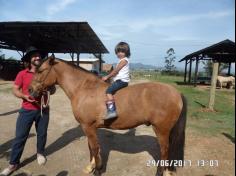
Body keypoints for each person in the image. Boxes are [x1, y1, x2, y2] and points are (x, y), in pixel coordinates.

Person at [1, 46, 50, 176]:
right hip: (26, 110)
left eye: (39, 55)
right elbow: (15, 89)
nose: (37, 57)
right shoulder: (22, 74)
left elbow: (54, 90)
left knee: (42, 134)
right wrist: (24, 96)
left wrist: (48, 90)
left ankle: (40, 153)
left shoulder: (45, 73)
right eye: (34, 56)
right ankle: (13, 164)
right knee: (20, 137)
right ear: (29, 59)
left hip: (43, 110)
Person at [102, 42, 130, 120]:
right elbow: (116, 73)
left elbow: (116, 71)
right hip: (120, 80)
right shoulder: (121, 61)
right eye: (118, 52)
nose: (119, 53)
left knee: (108, 91)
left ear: (126, 52)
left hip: (121, 81)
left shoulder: (124, 61)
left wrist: (107, 76)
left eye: (122, 51)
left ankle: (111, 111)